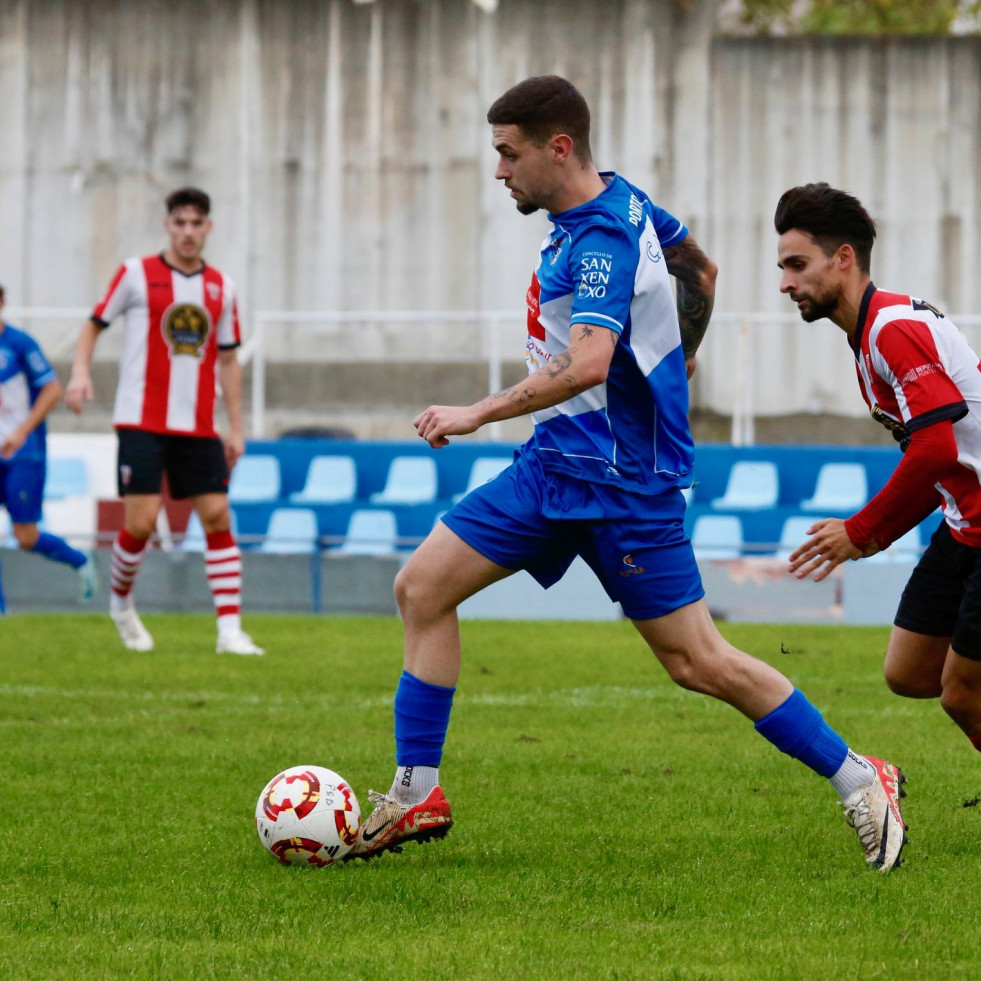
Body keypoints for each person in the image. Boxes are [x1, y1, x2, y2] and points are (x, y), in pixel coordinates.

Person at [345, 77, 907, 872]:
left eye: (508, 153)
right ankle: (415, 791)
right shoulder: (624, 202)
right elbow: (700, 272)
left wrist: (476, 411)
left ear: (557, 147)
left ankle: (859, 775)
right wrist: (671, 371)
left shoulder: (602, 236)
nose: (498, 170)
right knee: (421, 587)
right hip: (553, 466)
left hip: (623, 483)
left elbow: (588, 363)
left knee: (696, 662)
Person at [775, 182, 981, 767]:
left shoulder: (890, 329)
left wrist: (863, 531)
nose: (785, 284)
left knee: (963, 694)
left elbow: (937, 449)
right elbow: (940, 458)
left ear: (844, 259)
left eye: (797, 265)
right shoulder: (868, 334)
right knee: (911, 672)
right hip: (966, 521)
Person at [64, 187, 263, 656]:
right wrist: (78, 373)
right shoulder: (135, 275)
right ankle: (121, 604)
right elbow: (93, 324)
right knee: (141, 522)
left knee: (217, 515)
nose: (188, 232)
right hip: (141, 420)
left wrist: (235, 427)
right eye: (180, 223)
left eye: (197, 223)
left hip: (198, 424)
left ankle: (230, 630)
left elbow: (229, 361)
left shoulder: (222, 288)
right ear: (168, 225)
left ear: (208, 228)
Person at [0, 284, 96, 599]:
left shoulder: (20, 345)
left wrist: (21, 431)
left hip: (24, 454)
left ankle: (80, 560)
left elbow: (52, 389)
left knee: (25, 536)